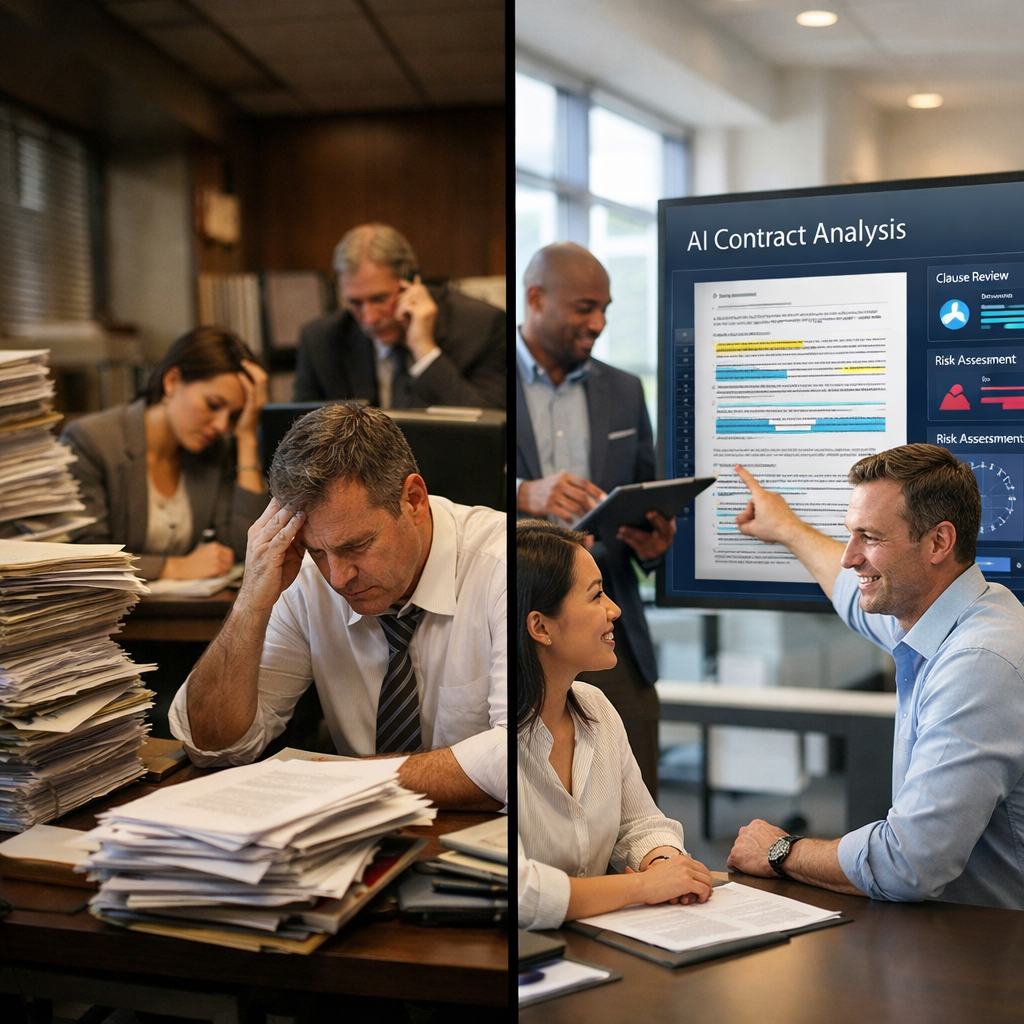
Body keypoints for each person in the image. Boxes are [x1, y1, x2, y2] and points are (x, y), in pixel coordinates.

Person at [726, 444, 1024, 910]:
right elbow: (848, 589)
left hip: (990, 955)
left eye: (870, 537)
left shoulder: (976, 663)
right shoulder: (948, 611)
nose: (850, 557)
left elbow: (910, 863)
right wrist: (786, 528)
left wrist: (781, 852)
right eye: (851, 534)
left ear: (938, 543)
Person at [168, 403, 505, 810]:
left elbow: (517, 761)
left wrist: (344, 778)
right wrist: (250, 602)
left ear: (413, 500)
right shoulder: (302, 576)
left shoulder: (504, 568)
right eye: (317, 551)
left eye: (356, 546)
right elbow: (212, 746)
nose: (339, 576)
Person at [516, 241, 674, 799]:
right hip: (519, 628)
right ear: (535, 298)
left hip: (615, 634)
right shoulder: (485, 382)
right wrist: (523, 495)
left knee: (638, 800)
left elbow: (646, 495)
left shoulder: (626, 391)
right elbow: (444, 497)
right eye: (585, 307)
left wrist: (654, 544)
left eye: (605, 309)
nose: (598, 323)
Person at [517, 520, 712, 930]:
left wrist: (663, 861)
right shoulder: (490, 736)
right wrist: (644, 887)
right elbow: (522, 893)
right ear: (540, 627)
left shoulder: (596, 707)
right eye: (596, 596)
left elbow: (640, 824)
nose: (615, 609)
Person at [61, 326, 268, 581]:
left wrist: (247, 436)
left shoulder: (214, 452)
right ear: (171, 381)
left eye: (233, 415)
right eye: (213, 405)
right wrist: (173, 568)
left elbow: (244, 548)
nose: (221, 426)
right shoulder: (91, 440)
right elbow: (82, 557)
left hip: (179, 614)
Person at [293, 223, 505, 409]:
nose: (369, 319)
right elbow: (299, 437)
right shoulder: (320, 340)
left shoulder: (484, 326)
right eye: (355, 303)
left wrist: (425, 352)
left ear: (411, 276)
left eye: (379, 299)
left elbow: (493, 430)